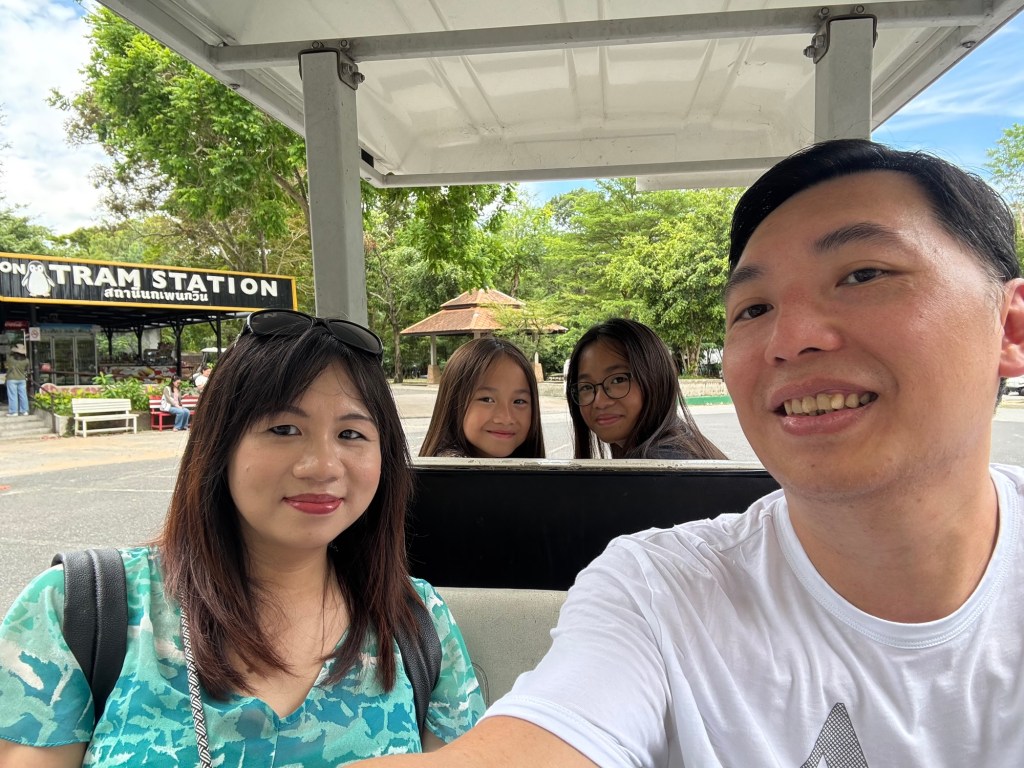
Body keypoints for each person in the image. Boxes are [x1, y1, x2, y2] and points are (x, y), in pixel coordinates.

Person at [355, 139, 1024, 766]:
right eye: (754, 309)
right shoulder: (655, 590)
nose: (791, 338)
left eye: (863, 274)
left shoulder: (665, 473)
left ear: (1010, 327)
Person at [0, 308, 484, 765]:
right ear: (220, 445)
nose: (321, 466)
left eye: (352, 434)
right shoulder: (77, 608)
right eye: (284, 428)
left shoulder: (417, 621)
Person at [565, 318, 725, 459]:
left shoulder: (654, 467)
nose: (599, 402)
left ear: (655, 379)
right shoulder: (679, 440)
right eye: (585, 387)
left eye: (618, 380)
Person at [419, 337, 545, 459]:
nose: (506, 418)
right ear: (453, 403)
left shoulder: (538, 478)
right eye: (487, 399)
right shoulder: (447, 478)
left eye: (519, 401)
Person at [3, 342, 29, 417]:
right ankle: (24, 411)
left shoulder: (11, 359)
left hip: (12, 379)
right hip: (22, 379)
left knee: (12, 395)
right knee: (23, 395)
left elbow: (7, 366)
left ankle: (14, 412)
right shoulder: (26, 360)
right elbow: (26, 369)